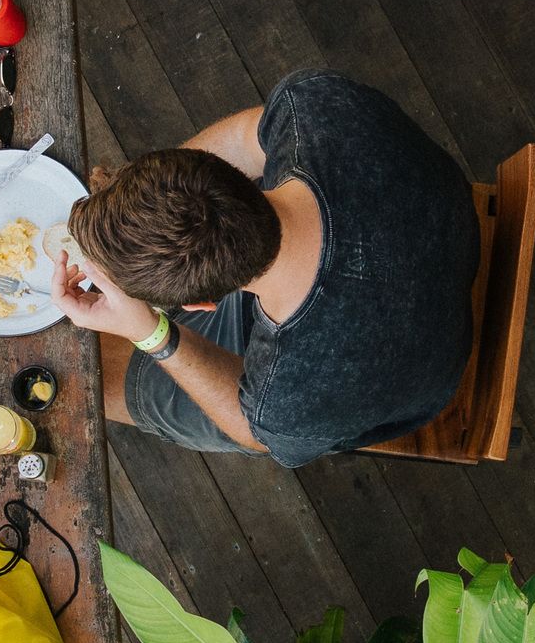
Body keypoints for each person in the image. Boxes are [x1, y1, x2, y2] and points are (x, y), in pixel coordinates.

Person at [55, 71, 478, 464]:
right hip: (446, 232)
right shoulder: (312, 106)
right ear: (221, 171)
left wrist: (149, 333)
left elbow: (255, 432)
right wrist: (154, 205)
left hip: (429, 367)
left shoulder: (288, 394)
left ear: (204, 304)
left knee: (123, 382)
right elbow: (244, 136)